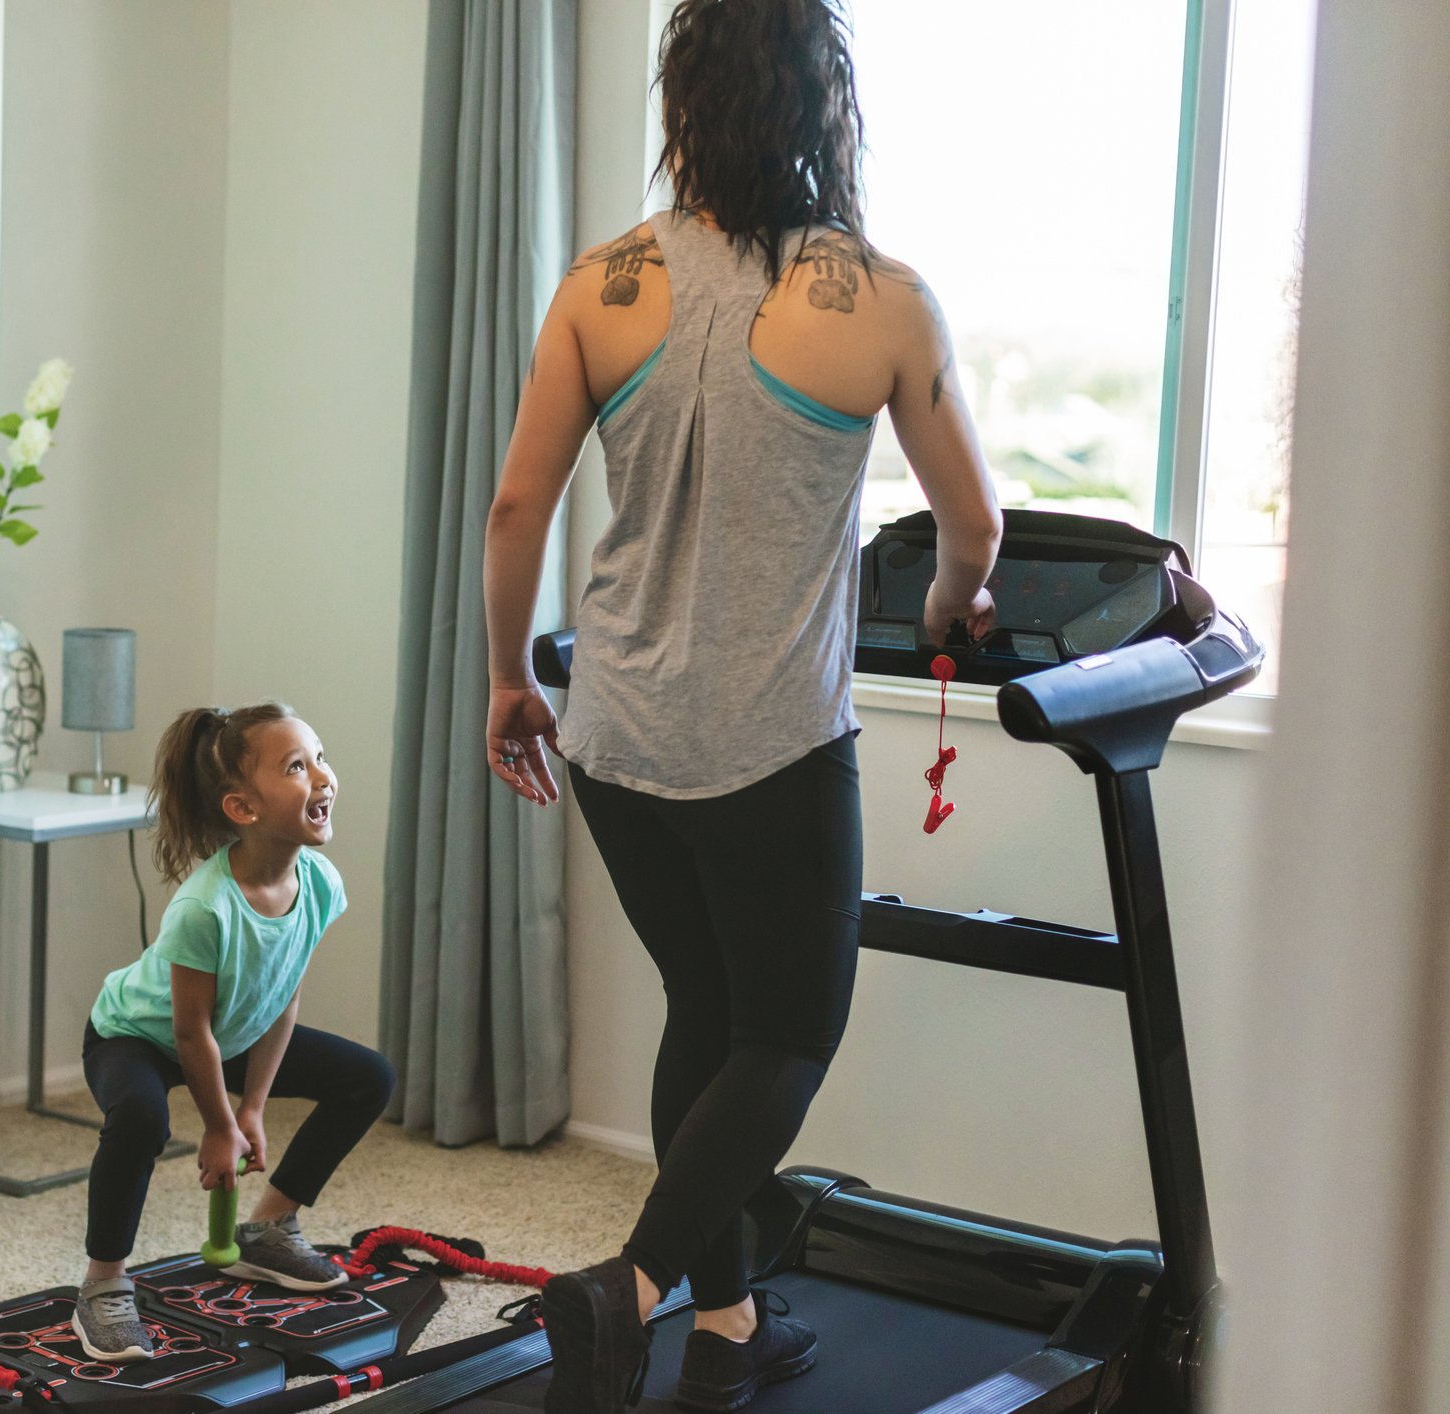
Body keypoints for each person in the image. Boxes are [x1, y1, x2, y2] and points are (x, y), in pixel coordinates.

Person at [481, 2, 1002, 1410]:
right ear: (829, 105)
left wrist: (506, 678)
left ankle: (725, 1323)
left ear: (684, 105)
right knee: (787, 1029)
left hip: (616, 731)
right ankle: (628, 1285)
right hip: (770, 738)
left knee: (705, 1010)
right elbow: (973, 525)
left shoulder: (603, 280)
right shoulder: (884, 299)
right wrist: (953, 610)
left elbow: (518, 501)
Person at [69, 702, 397, 1363]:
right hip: (138, 1034)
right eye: (297, 767)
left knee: (367, 1078)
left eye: (320, 757)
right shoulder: (203, 907)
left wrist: (251, 1107)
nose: (323, 777)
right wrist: (219, 1127)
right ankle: (102, 1285)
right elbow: (189, 1034)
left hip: (237, 1030)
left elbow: (282, 998)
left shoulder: (320, 884)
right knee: (139, 1119)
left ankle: (269, 1225)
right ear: (242, 808)